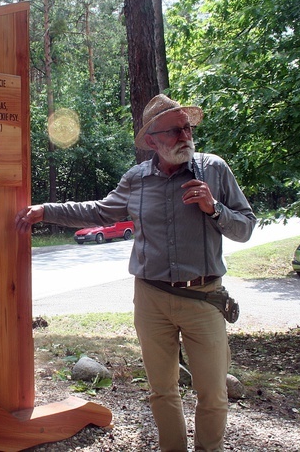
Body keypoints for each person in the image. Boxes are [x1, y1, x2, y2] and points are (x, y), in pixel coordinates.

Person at [15, 94, 256, 452]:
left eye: (187, 127)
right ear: (152, 140)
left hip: (204, 298)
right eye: (175, 130)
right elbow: (98, 211)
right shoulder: (137, 179)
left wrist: (214, 207)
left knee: (214, 393)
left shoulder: (214, 170)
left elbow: (246, 227)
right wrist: (44, 211)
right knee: (162, 390)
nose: (185, 135)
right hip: (151, 299)